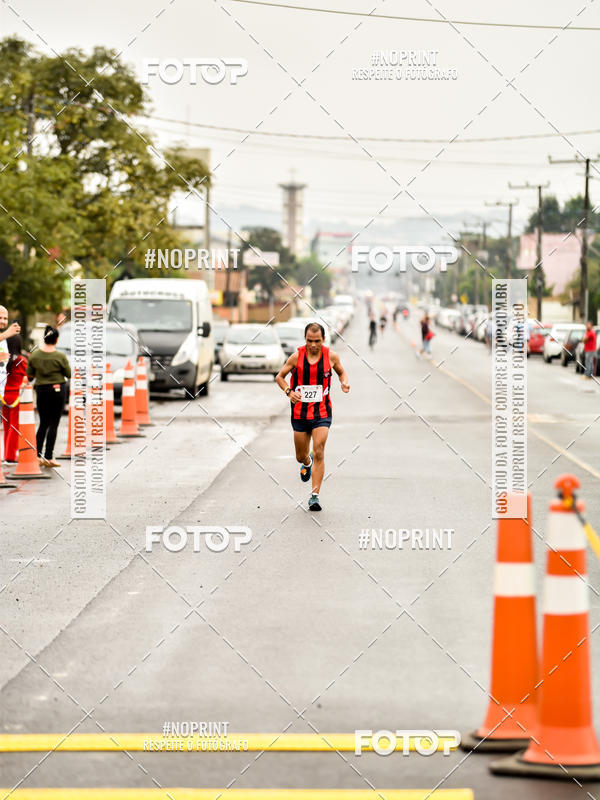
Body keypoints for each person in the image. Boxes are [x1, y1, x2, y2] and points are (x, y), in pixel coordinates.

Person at [275, 322, 350, 511]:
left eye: (317, 341)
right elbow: (279, 377)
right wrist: (289, 391)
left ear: (323, 339)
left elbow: (341, 372)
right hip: (300, 413)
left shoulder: (331, 357)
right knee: (301, 456)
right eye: (309, 340)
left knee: (319, 451)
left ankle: (314, 496)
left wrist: (344, 382)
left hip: (322, 413)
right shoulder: (296, 357)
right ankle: (306, 463)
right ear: (305, 339)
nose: (313, 345)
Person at [26, 325, 71, 468]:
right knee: (54, 424)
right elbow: (68, 374)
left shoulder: (34, 355)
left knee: (43, 423)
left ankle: (37, 455)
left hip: (41, 390)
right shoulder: (60, 356)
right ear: (57, 339)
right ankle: (49, 457)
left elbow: (29, 376)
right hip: (58, 390)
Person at [1, 335, 27, 464]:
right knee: (14, 427)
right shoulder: (21, 360)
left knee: (7, 426)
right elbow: (27, 376)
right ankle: (10, 456)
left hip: (4, 396)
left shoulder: (3, 358)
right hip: (16, 396)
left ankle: (7, 453)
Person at [0, 306, 21, 398]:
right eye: (0, 318)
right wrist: (7, 333)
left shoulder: (4, 340)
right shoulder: (4, 336)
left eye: (5, 318)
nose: (2, 321)